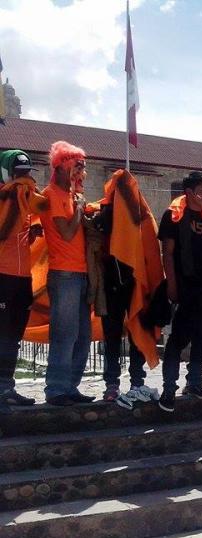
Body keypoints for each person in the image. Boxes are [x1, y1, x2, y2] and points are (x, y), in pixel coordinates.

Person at [87, 171, 162, 409]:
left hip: (134, 283)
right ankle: (114, 383)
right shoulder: (102, 215)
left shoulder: (140, 216)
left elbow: (150, 247)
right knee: (113, 336)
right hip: (113, 283)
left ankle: (135, 381)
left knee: (136, 333)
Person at [157, 171, 202, 411]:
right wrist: (172, 285)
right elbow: (168, 253)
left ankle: (195, 381)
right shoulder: (173, 216)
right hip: (185, 286)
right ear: (189, 192)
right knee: (178, 339)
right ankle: (168, 388)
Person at [40, 141, 93, 406]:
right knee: (64, 333)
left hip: (80, 273)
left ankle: (70, 386)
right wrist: (81, 208)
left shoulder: (72, 195)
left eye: (83, 166)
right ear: (61, 166)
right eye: (77, 165)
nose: (81, 171)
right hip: (64, 273)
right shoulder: (52, 194)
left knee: (83, 335)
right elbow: (67, 232)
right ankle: (56, 389)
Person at [0, 151, 47, 409]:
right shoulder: (9, 196)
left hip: (21, 277)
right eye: (19, 172)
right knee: (3, 334)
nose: (25, 177)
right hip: (3, 277)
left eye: (27, 172)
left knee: (13, 335)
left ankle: (7, 386)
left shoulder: (20, 198)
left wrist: (30, 234)